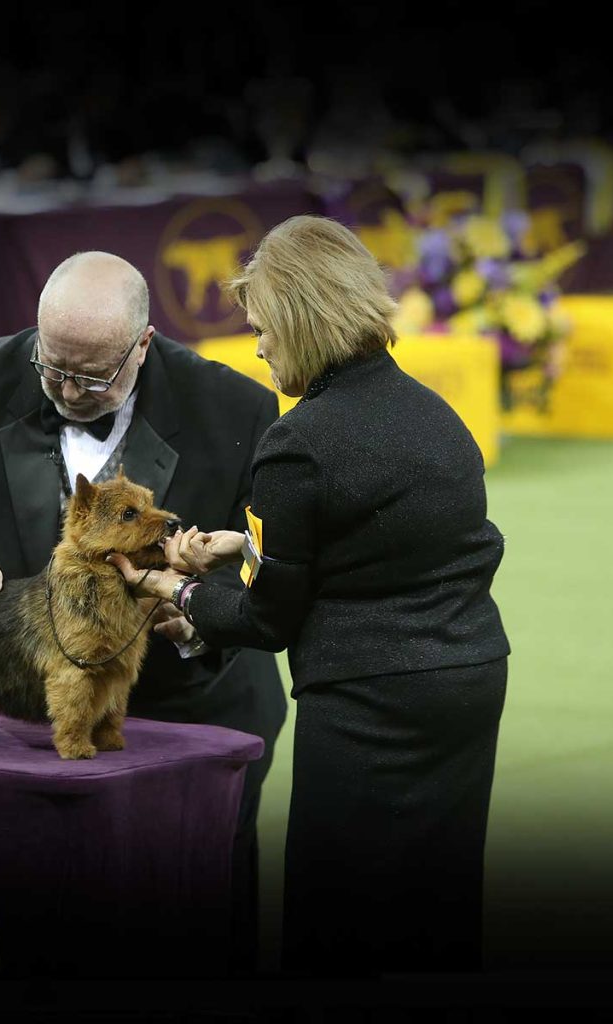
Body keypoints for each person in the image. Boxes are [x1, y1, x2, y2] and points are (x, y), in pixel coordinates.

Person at [0, 250, 287, 975]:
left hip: (193, 715)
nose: (66, 388)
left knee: (189, 931)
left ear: (143, 346)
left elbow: (266, 566)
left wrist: (198, 617)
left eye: (92, 376)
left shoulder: (235, 408)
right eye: (52, 365)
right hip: (21, 722)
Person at [109, 215, 510, 976]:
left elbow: (267, 618)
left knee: (338, 913)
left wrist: (180, 591)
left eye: (262, 328)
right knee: (438, 900)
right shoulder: (436, 415)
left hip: (370, 704)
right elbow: (380, 549)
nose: (258, 347)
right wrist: (248, 546)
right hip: (469, 681)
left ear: (298, 321)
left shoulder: (299, 443)